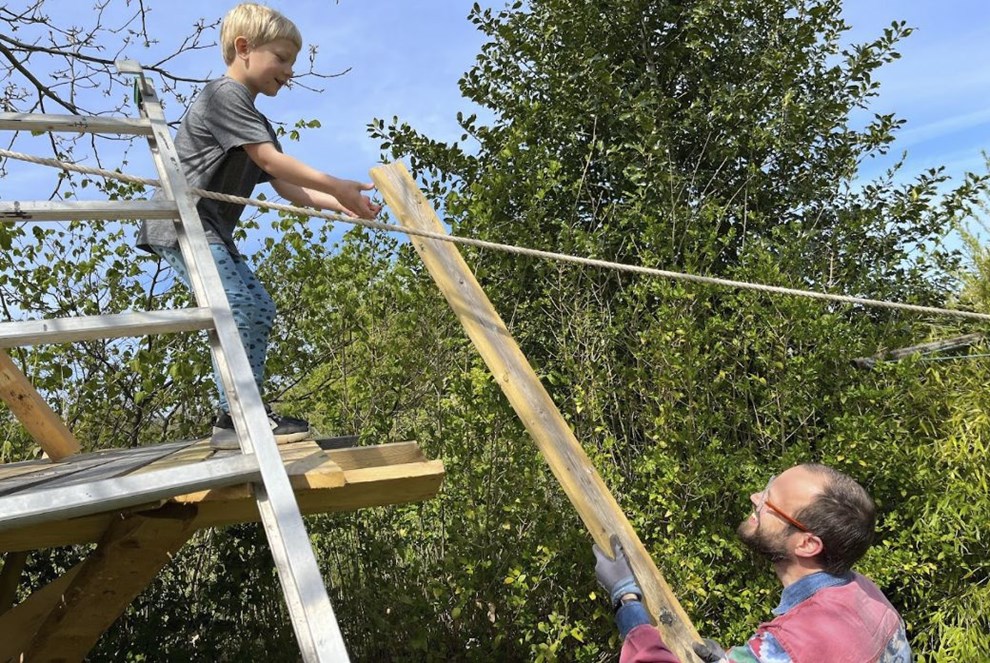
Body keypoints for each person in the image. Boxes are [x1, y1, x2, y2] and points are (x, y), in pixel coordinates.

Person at [136, 3, 380, 449]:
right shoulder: (222, 95)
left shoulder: (254, 117)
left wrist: (344, 206)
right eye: (282, 58)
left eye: (292, 62)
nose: (288, 72)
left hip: (209, 230)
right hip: (183, 225)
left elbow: (285, 185)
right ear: (244, 49)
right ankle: (237, 417)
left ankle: (239, 415)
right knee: (238, 309)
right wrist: (339, 186)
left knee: (259, 308)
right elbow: (270, 160)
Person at [593, 463, 912, 662]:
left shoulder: (788, 646)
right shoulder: (867, 595)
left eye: (771, 502)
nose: (756, 498)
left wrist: (627, 601)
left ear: (807, 543)